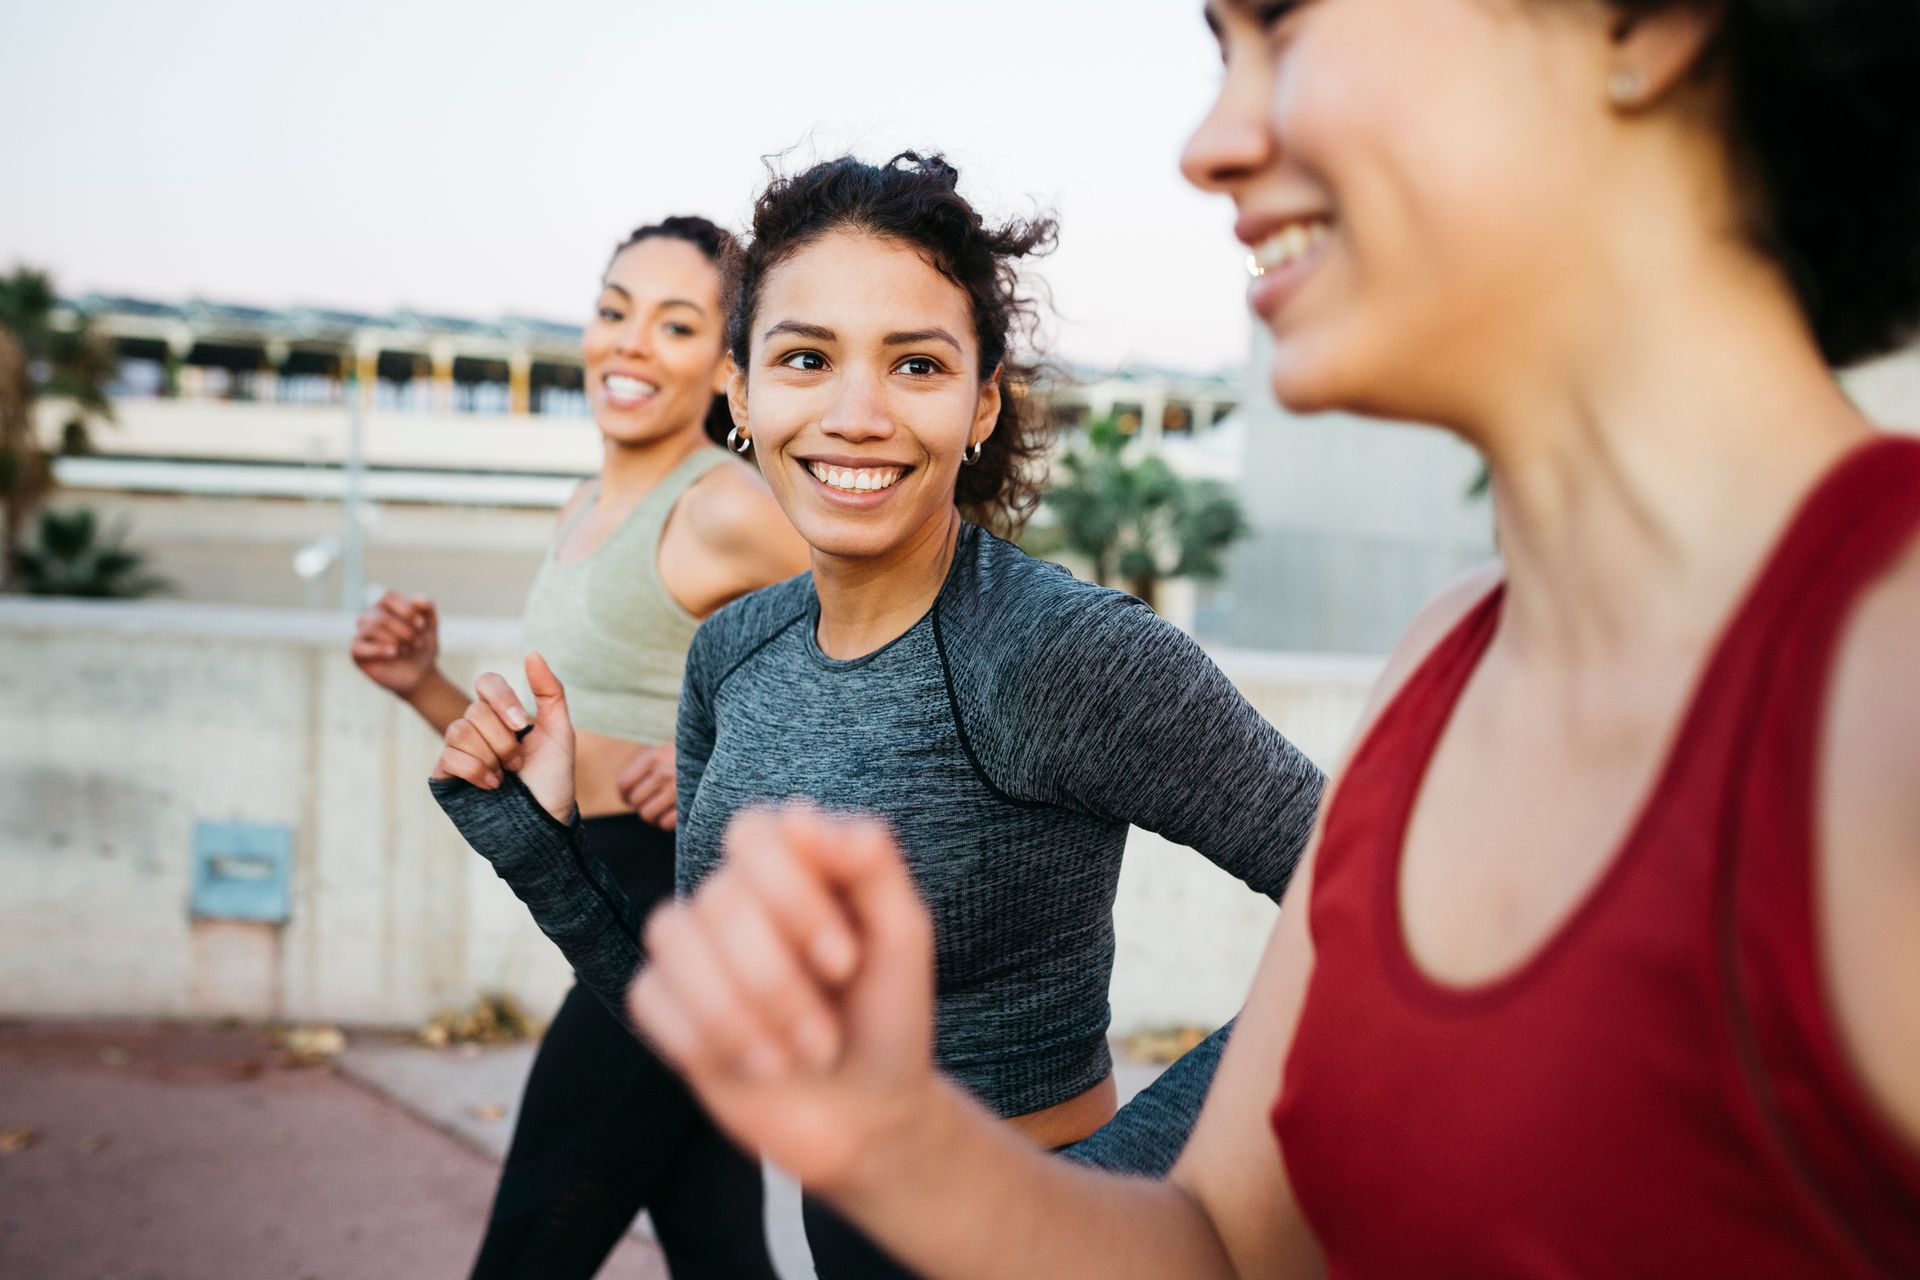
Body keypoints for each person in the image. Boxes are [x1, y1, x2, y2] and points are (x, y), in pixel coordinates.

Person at [617, 2, 1920, 1277]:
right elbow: (1217, 1246)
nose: (1210, 142)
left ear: (1636, 22)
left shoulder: (1890, 676)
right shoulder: (1448, 659)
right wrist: (898, 1141)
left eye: (1285, 28)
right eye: (1219, 48)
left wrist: (1075, 1151)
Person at [426, 153, 1326, 1278]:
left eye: (915, 363)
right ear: (744, 395)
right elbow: (724, 1037)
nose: (856, 415)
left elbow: (1369, 908)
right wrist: (540, 837)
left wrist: (1123, 1186)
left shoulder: (1056, 649)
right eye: (806, 358)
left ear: (981, 401)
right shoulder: (733, 652)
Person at [351, 214, 808, 1279]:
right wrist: (424, 683)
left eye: (677, 323)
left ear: (725, 366)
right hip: (600, 878)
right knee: (718, 1242)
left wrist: (732, 767)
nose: (632, 343)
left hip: (674, 906)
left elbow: (886, 632)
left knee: (528, 1248)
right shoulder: (584, 504)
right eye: (615, 311)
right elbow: (558, 742)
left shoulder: (722, 505)